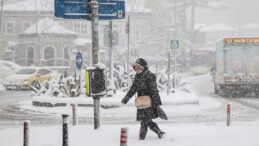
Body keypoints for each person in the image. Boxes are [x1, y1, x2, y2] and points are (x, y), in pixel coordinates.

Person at [121, 58, 165, 140]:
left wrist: (156, 102)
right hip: (141, 102)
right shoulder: (137, 77)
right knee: (145, 120)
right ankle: (159, 132)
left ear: (143, 67)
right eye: (135, 68)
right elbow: (133, 88)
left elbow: (154, 90)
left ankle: (142, 138)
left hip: (149, 102)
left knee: (145, 120)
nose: (136, 70)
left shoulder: (150, 76)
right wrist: (125, 99)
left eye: (138, 67)